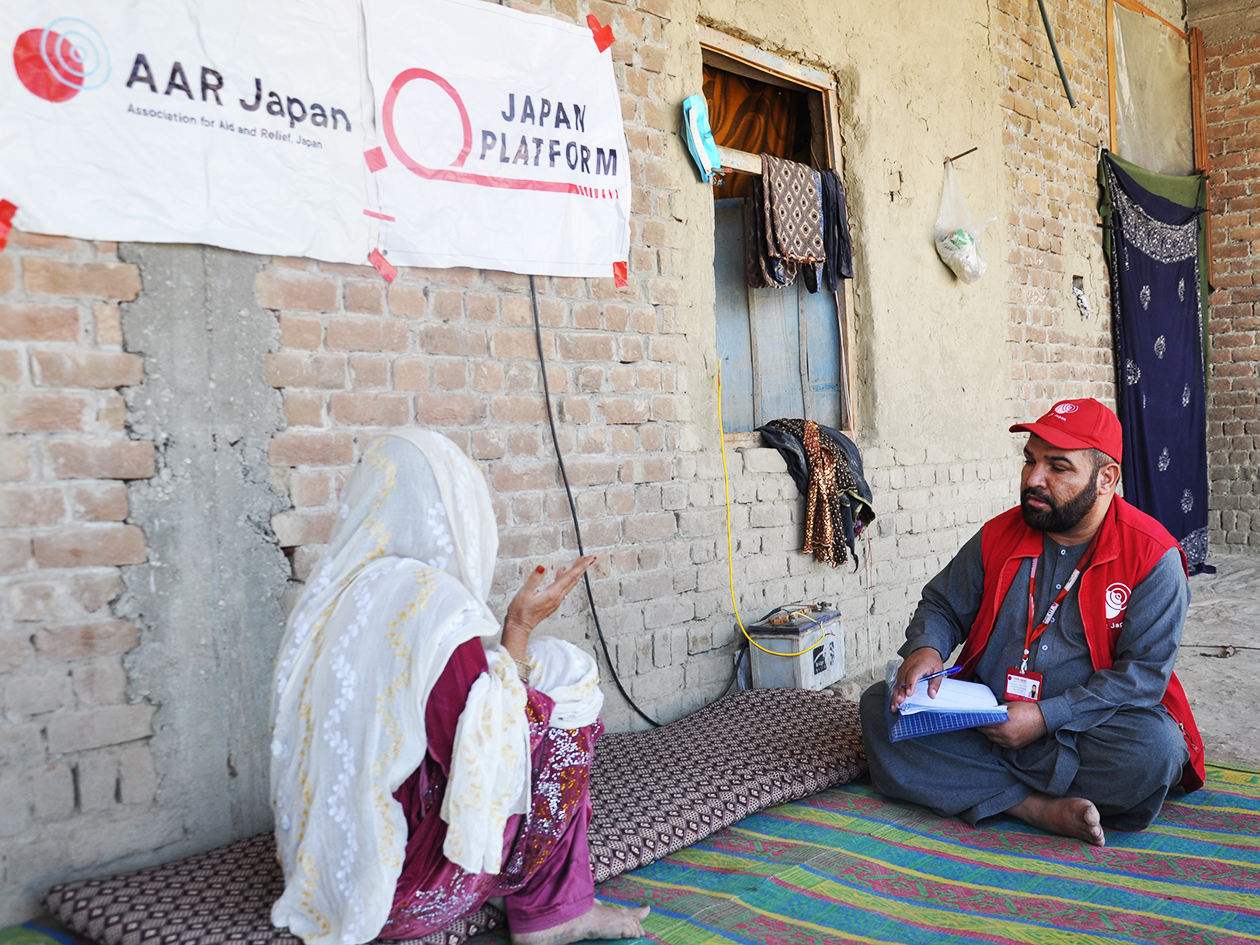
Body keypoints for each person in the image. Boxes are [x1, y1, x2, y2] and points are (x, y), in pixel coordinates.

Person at [269, 430, 648, 945]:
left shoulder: (332, 595)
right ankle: (553, 911)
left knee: (536, 676)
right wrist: (518, 627)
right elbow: (491, 752)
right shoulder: (433, 603)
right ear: (454, 509)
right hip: (404, 896)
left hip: (324, 879)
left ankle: (532, 887)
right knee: (567, 679)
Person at [859, 398, 1204, 847]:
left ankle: (978, 784)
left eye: (1058, 467)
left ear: (1106, 479)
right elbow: (943, 605)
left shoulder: (1152, 557)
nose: (1033, 479)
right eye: (1029, 460)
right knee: (879, 706)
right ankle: (1033, 806)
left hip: (1084, 728)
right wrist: (927, 648)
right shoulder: (999, 534)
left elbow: (1140, 680)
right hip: (988, 716)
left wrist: (1044, 718)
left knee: (1154, 751)